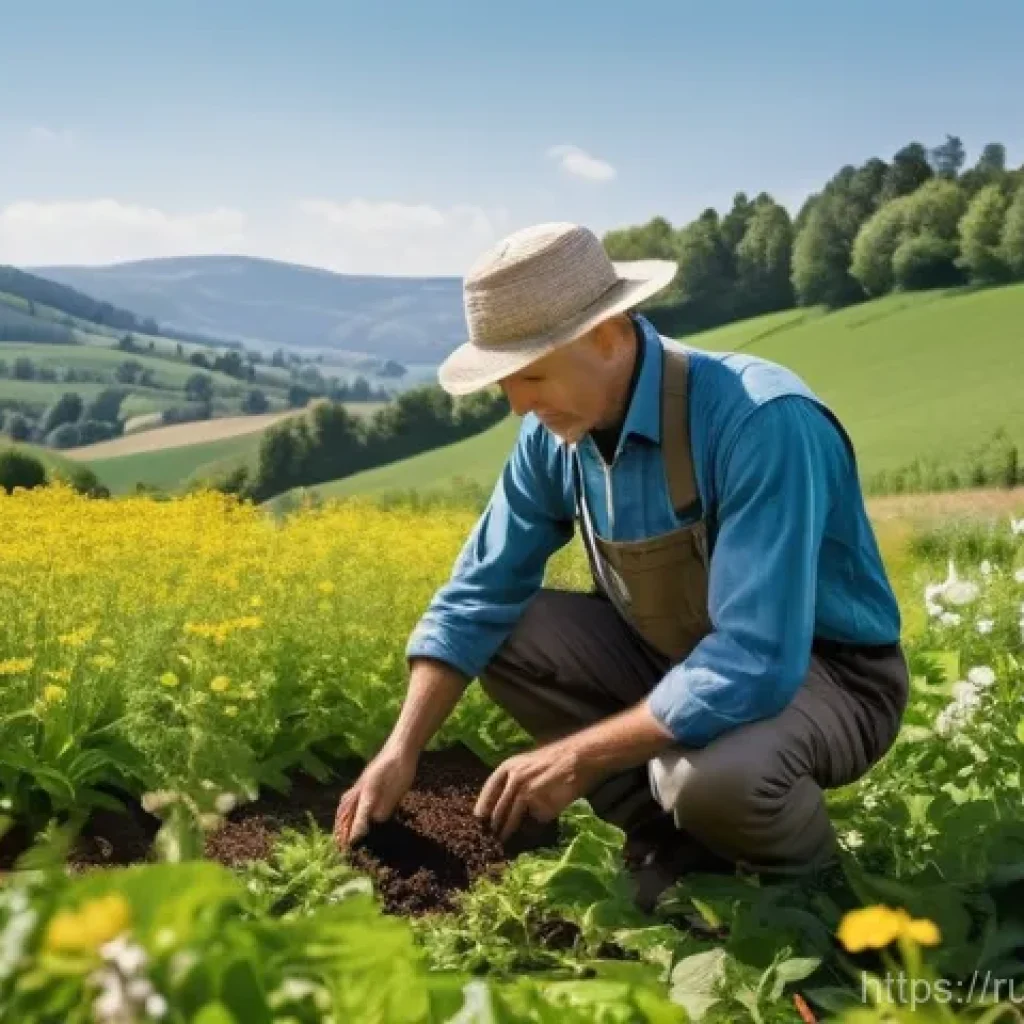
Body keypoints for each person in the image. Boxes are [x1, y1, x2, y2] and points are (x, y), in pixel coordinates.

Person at [334, 220, 909, 904]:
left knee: (708, 779)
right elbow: (477, 593)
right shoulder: (552, 437)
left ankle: (818, 908)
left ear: (607, 336)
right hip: (677, 658)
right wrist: (403, 750)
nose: (517, 402)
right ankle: (676, 848)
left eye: (531, 374)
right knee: (508, 632)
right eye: (504, 383)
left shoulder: (761, 420)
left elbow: (757, 657)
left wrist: (580, 754)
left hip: (825, 675)